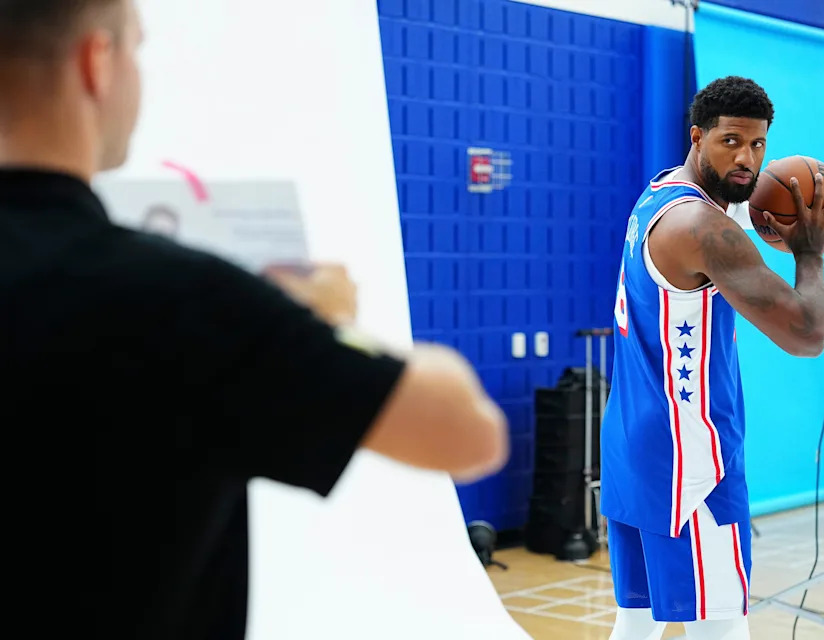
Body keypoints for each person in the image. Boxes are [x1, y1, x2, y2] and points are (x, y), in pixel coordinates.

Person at [0, 1, 508, 639]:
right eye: (136, 46)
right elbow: (467, 433)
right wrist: (327, 321)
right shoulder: (189, 299)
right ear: (97, 62)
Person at [600, 76, 824, 640]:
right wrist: (809, 252)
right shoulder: (704, 229)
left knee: (635, 621)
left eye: (758, 145)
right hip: (692, 463)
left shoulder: (661, 192)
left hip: (633, 442)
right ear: (698, 136)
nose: (747, 159)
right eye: (731, 141)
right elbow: (806, 335)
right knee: (723, 623)